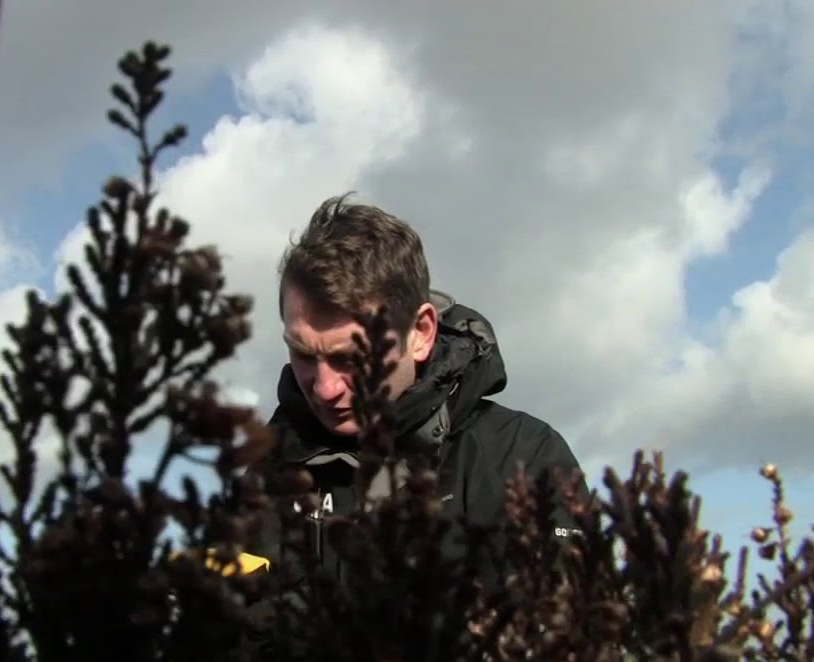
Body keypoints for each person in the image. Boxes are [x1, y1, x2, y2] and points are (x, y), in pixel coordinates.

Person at [247, 193, 589, 584]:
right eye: (303, 354)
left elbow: (571, 631)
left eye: (351, 360)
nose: (325, 389)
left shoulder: (526, 459)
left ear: (421, 333)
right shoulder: (266, 475)